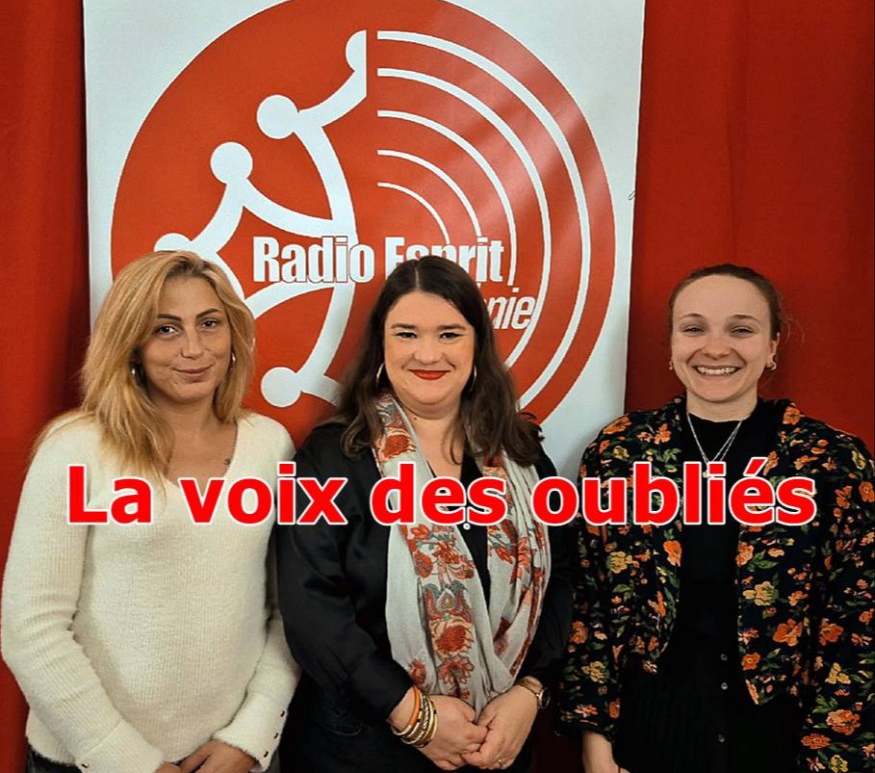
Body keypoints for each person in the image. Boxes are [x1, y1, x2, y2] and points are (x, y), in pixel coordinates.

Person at [557, 263, 874, 773]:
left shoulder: (831, 461)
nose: (716, 347)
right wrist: (595, 742)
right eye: (694, 328)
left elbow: (857, 618)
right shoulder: (621, 452)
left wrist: (833, 758)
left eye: (741, 330)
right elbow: (592, 605)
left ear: (772, 347)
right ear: (671, 345)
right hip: (649, 734)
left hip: (779, 742)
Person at [1, 251, 299, 773]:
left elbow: (289, 611)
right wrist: (128, 761)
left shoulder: (270, 446)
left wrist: (251, 736)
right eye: (166, 329)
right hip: (86, 761)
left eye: (210, 324)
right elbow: (31, 628)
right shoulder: (75, 449)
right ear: (131, 345)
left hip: (228, 759)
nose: (194, 348)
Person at [275, 256, 572, 773]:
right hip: (362, 748)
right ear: (381, 346)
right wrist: (415, 717)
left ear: (477, 344)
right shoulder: (332, 457)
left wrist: (531, 691)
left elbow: (563, 577)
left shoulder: (521, 454)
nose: (428, 353)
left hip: (496, 745)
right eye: (407, 334)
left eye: (449, 334)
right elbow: (312, 608)